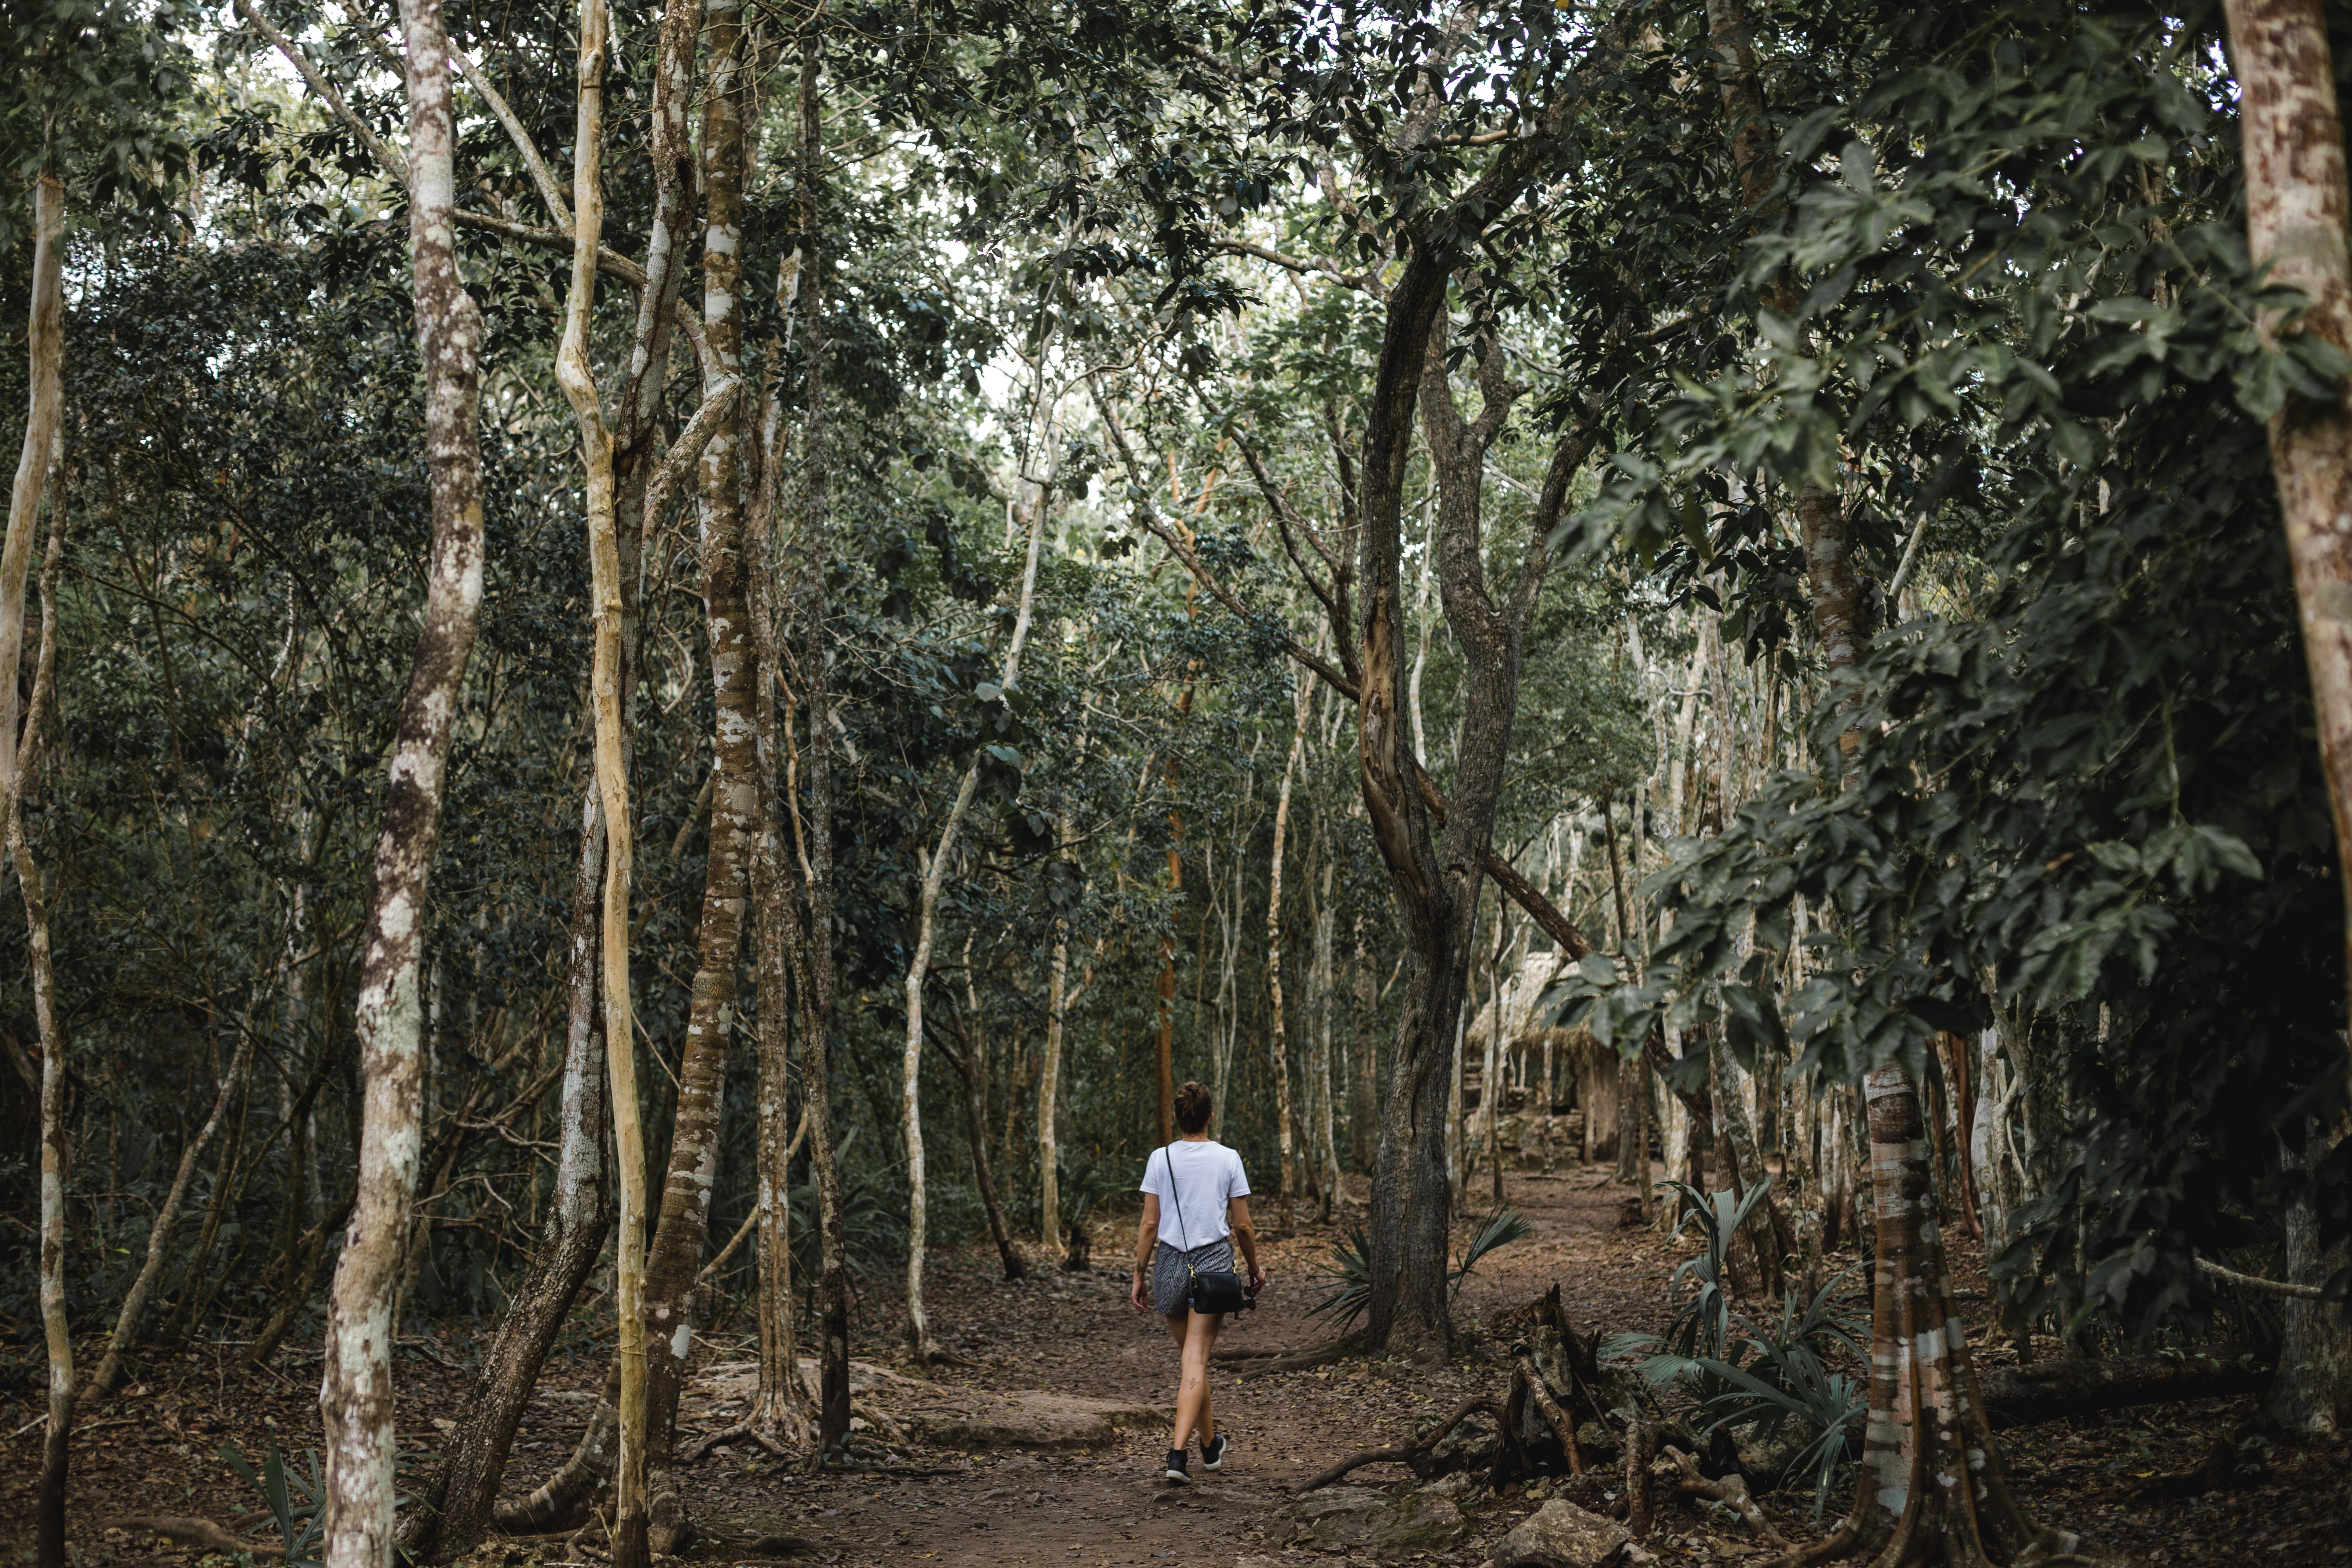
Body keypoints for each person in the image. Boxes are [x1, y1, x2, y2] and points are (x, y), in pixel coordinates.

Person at [1129, 1080, 1267, 1485]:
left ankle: (1210, 1446)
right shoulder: (1228, 1159)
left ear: (1178, 1117)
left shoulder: (1160, 1159)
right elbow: (1242, 1224)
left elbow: (1150, 1223)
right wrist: (1255, 1268)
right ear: (1210, 1115)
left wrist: (1138, 1275)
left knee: (1193, 1361)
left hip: (1170, 1264)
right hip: (1212, 1266)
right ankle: (1177, 1457)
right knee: (1195, 1361)